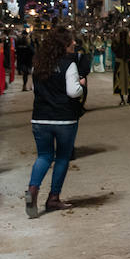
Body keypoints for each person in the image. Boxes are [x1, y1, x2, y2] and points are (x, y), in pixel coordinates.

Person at [26, 27, 85, 219]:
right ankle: (53, 197)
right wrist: (81, 86)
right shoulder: (69, 64)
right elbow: (73, 92)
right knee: (61, 157)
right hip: (64, 118)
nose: (74, 44)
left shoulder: (39, 63)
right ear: (64, 45)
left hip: (40, 117)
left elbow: (34, 88)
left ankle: (33, 191)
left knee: (43, 156)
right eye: (71, 41)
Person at [112, 25, 130, 105]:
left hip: (125, 63)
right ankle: (125, 99)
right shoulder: (117, 41)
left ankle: (126, 99)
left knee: (128, 81)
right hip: (121, 63)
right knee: (120, 81)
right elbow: (114, 49)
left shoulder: (128, 42)